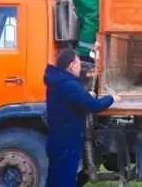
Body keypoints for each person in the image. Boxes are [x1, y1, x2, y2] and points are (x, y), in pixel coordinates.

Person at [44, 48, 119, 186]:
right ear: (71, 65)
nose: (80, 68)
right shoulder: (69, 85)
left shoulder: (57, 81)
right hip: (67, 142)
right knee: (64, 181)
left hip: (58, 140)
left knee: (55, 179)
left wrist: (85, 96)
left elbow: (74, 101)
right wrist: (112, 98)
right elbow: (94, 106)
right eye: (78, 64)